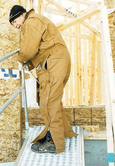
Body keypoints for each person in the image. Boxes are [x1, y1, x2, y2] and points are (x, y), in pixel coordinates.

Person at [9, 5, 78, 154]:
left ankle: (54, 142)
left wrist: (19, 59)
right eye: (13, 24)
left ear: (23, 14)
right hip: (57, 60)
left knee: (48, 101)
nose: (16, 26)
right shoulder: (37, 20)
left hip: (54, 61)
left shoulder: (31, 22)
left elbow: (28, 49)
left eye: (15, 21)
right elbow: (39, 49)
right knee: (53, 99)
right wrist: (29, 63)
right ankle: (63, 132)